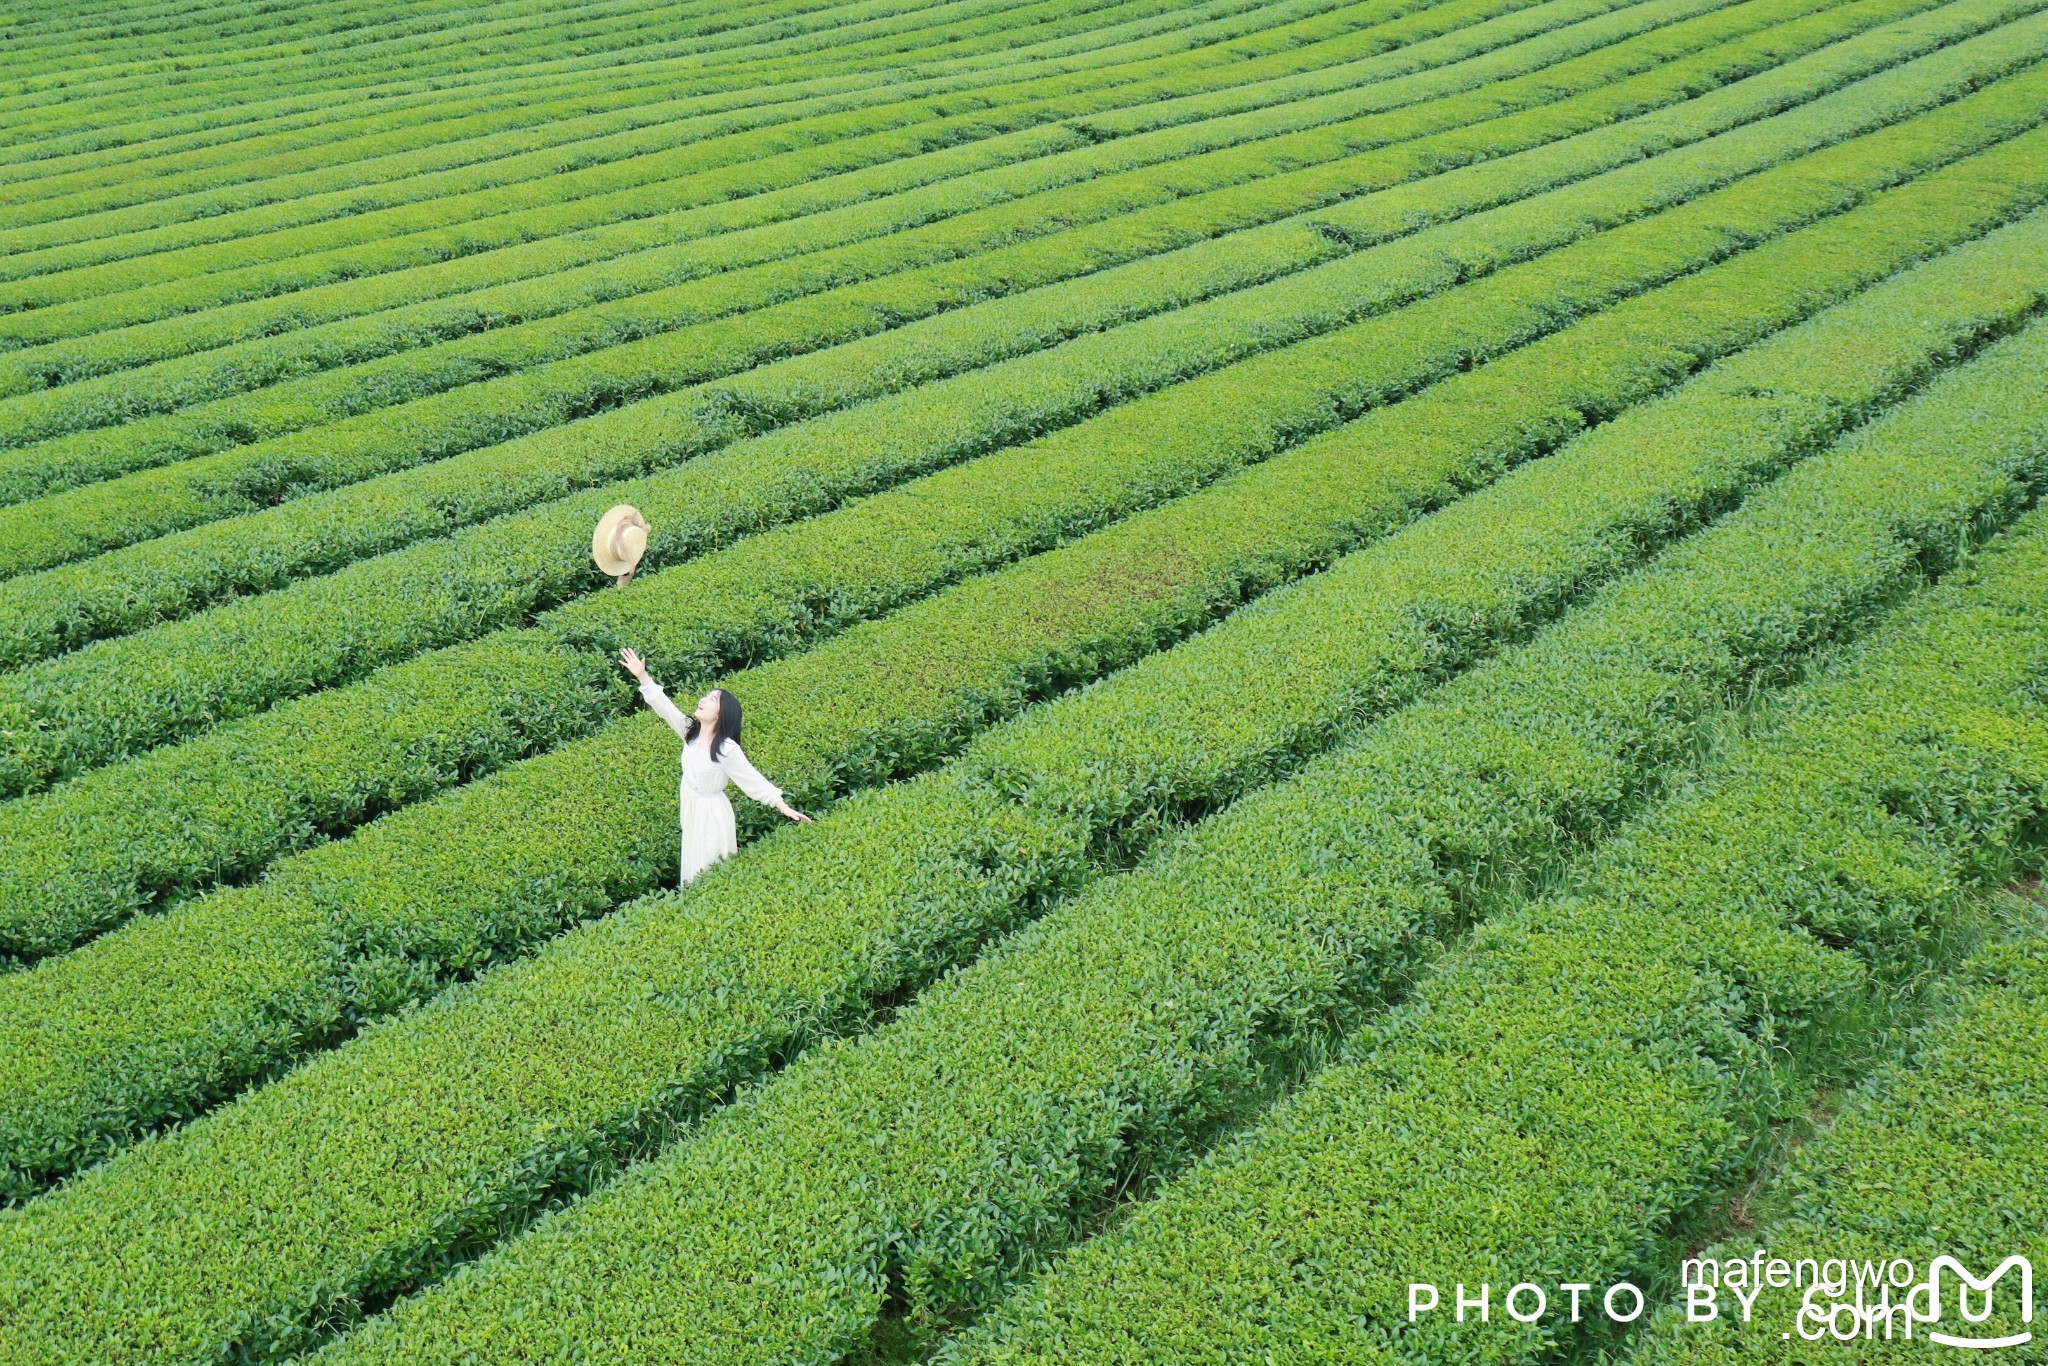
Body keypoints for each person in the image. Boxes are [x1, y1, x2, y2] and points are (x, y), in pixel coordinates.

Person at [619, 648, 810, 884]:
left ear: (721, 714)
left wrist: (782, 806)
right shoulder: (691, 732)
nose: (702, 700)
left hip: (712, 815)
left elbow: (753, 780)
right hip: (692, 807)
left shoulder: (727, 749)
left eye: (711, 700)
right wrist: (642, 676)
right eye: (706, 696)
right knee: (692, 869)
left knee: (709, 869)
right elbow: (664, 707)